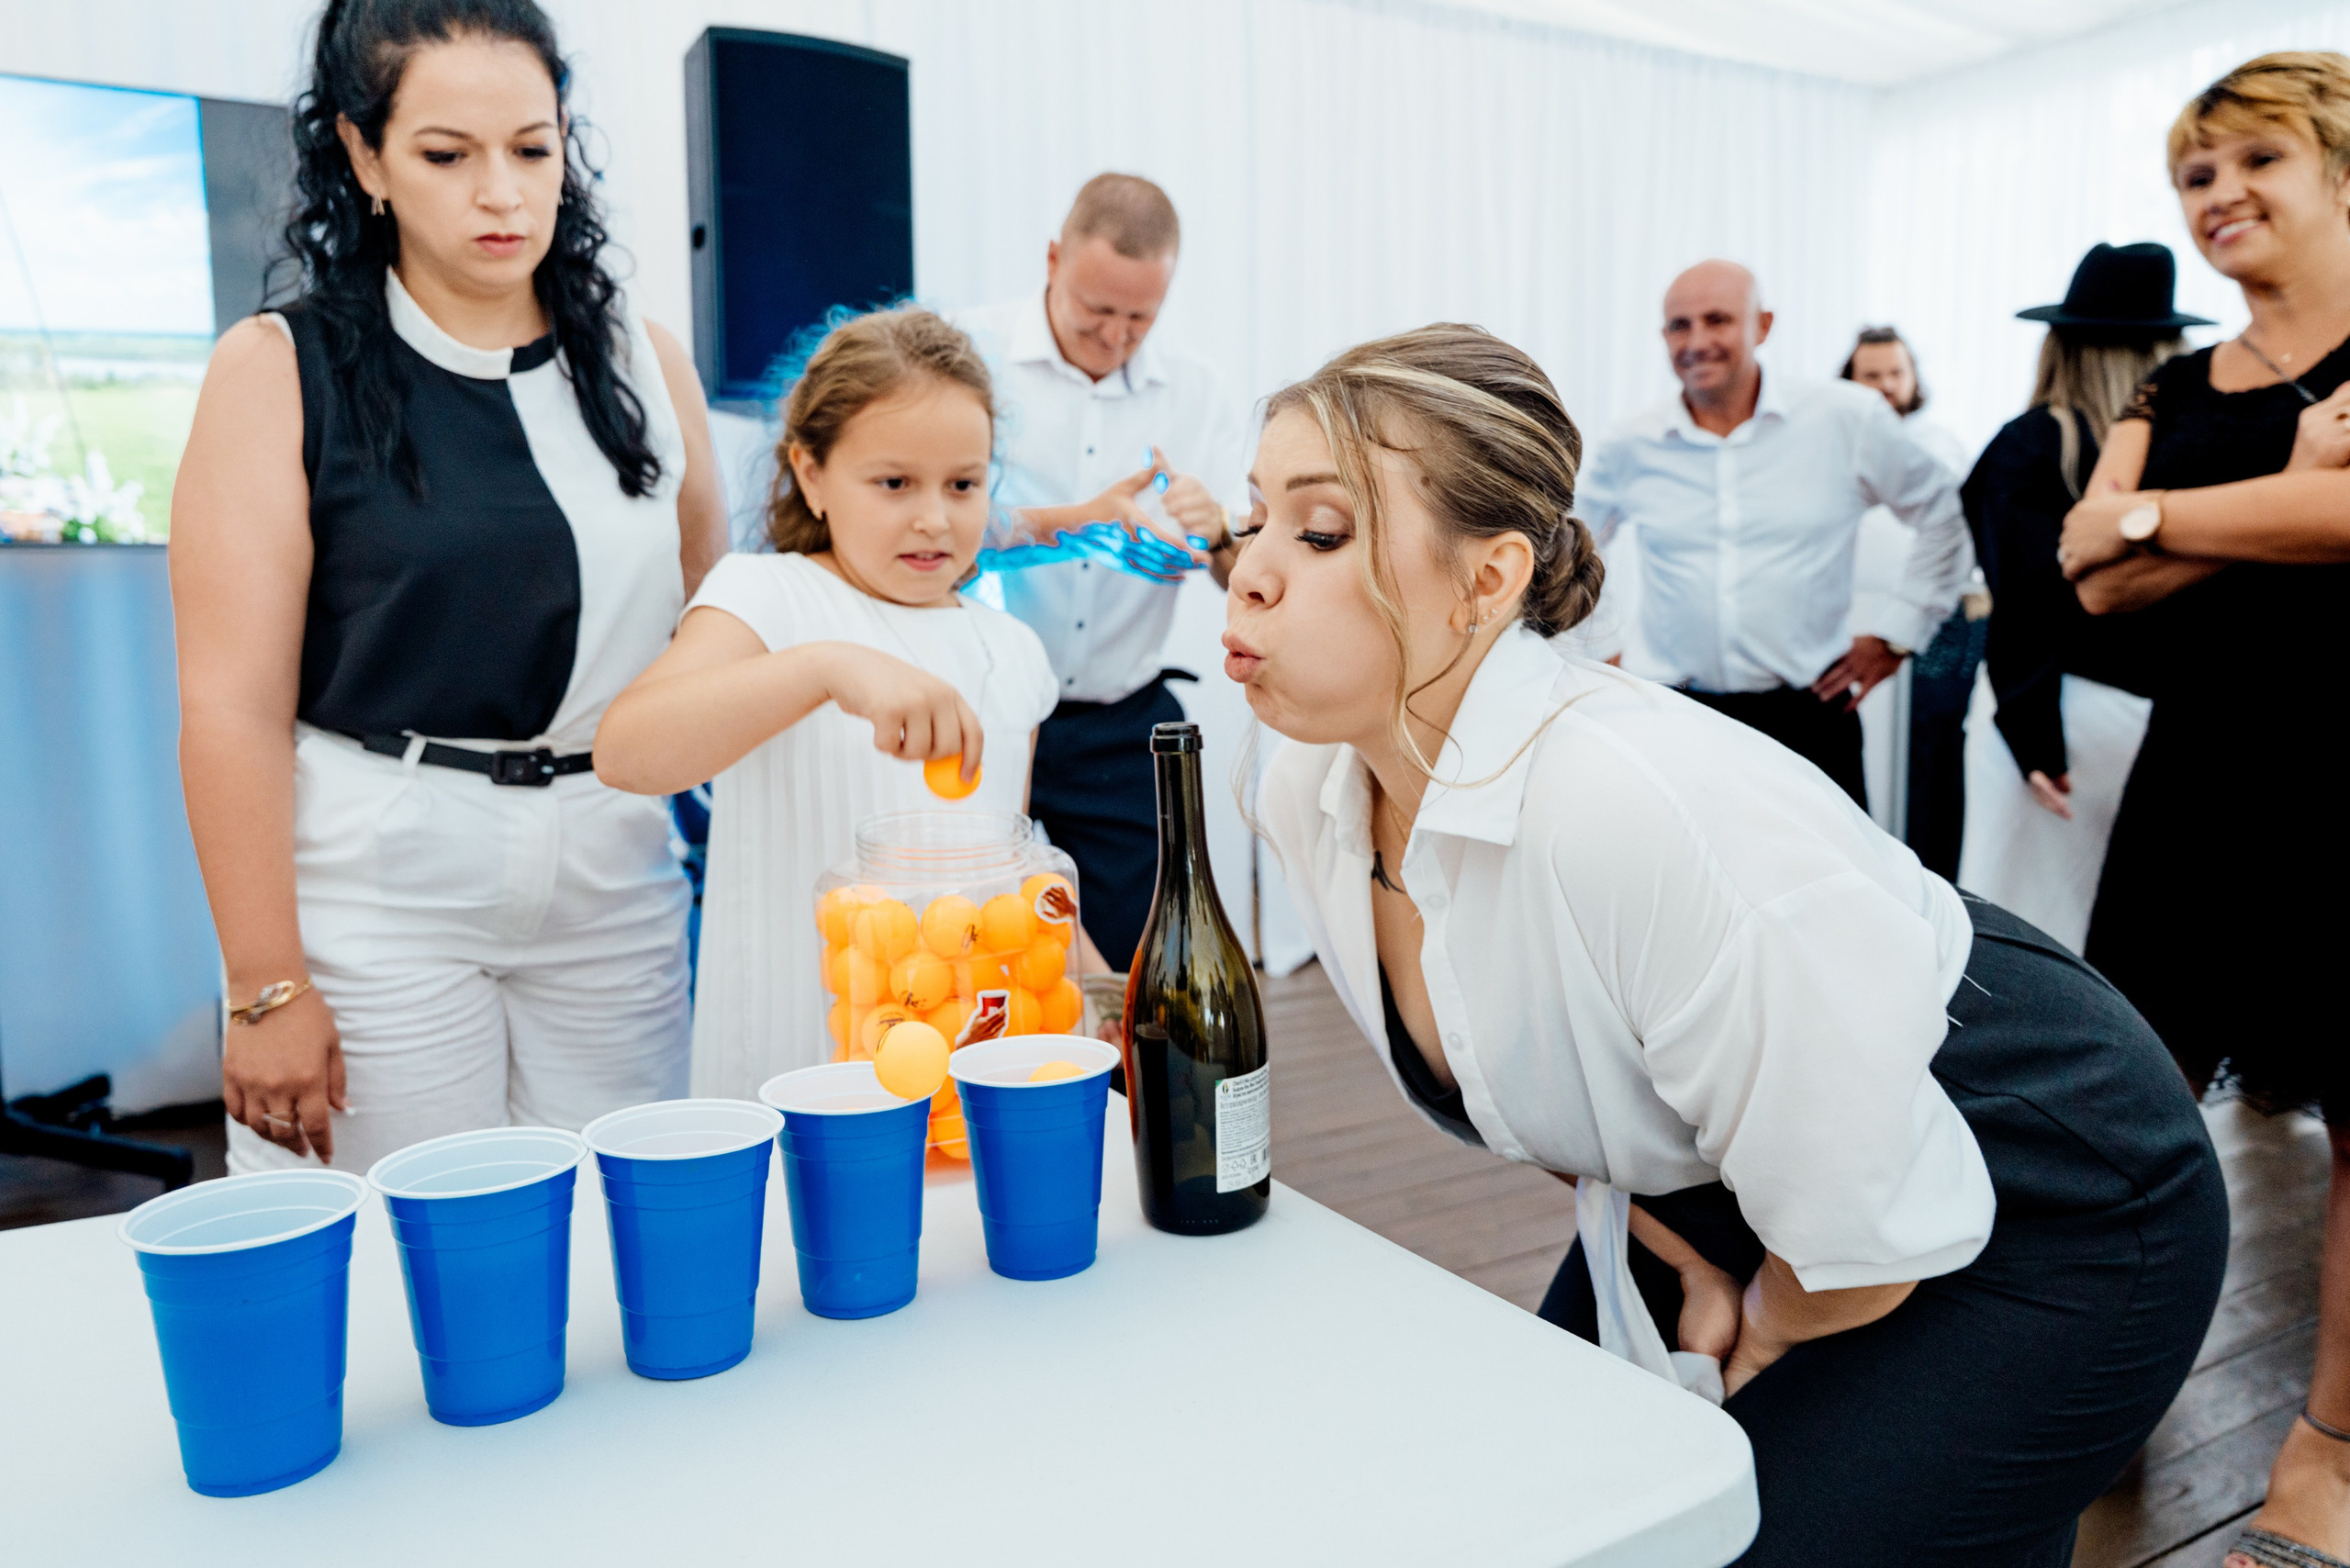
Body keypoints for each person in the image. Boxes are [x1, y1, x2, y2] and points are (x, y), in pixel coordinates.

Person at [1235, 322, 2225, 1564]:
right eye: (1255, 516)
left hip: (2045, 1184)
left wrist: (1756, 1319)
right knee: (1544, 1502)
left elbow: (1869, 1220)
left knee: (1728, 1540)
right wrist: (1688, 1259)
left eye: (1317, 531)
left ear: (1487, 581)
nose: (1251, 570)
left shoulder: (1623, 804)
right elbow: (1536, 1080)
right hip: (1764, 1170)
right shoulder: (1303, 792)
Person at [169, 0, 726, 1173]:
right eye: (446, 155)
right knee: (394, 1261)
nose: (503, 194)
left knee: (618, 1238)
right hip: (383, 881)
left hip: (612, 866)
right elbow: (230, 707)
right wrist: (265, 986)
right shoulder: (279, 371)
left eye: (532, 148)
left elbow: (713, 621)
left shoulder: (640, 359)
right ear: (364, 156)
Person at [2057, 53, 2350, 1568]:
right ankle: (2106, 1389)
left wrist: (2164, 515)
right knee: (2124, 1105)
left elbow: (2127, 538)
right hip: (2199, 782)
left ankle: (2330, 1450)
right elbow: (2083, 570)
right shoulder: (2178, 385)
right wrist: (2289, 498)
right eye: (2197, 174)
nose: (2220, 196)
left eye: (2257, 162)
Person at [595, 306, 1061, 1098]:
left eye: (963, 484)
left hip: (964, 1061)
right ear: (811, 475)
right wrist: (825, 668)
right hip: (795, 1059)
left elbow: (1011, 861)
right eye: (893, 483)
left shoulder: (1012, 650)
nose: (933, 517)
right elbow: (627, 751)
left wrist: (1093, 980)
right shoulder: (766, 597)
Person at [953, 174, 1248, 970]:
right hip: (980, 706)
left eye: (1140, 318)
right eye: (1097, 311)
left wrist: (1218, 528)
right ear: (1052, 259)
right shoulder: (963, 353)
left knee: (1132, 957)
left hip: (1121, 716)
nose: (1116, 336)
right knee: (975, 938)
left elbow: (1239, 573)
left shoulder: (1199, 393)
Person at [1579, 261, 1969, 810]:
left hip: (1810, 720)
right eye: (1679, 326)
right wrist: (1601, 652)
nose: (1697, 341)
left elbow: (1940, 511)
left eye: (1717, 320)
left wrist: (1898, 631)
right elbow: (1572, 544)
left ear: (1762, 326)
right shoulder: (1631, 443)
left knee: (1834, 888)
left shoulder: (1845, 419)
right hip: (1678, 719)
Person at [1954, 244, 2196, 950]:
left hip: (2056, 713)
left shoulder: (2031, 445)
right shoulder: (2203, 452)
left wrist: (2031, 738)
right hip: (2168, 715)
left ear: (2060, 345)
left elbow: (2025, 602)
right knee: (2143, 936)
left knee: (2028, 930)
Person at [1840, 326, 1979, 876]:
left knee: (1930, 751)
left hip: (1938, 624)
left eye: (1896, 373)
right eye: (1871, 376)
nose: (1885, 387)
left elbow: (1954, 532)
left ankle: (1935, 880)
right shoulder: (1836, 441)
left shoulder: (1940, 445)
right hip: (1854, 620)